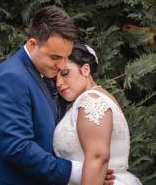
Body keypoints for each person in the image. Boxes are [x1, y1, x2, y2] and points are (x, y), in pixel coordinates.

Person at [0, 6, 116, 185]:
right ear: (32, 44)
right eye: (55, 57)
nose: (62, 65)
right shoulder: (11, 78)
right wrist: (76, 171)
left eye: (66, 56)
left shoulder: (44, 74)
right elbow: (17, 148)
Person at [53, 41, 142, 185]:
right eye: (55, 78)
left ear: (86, 69)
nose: (59, 83)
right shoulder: (94, 98)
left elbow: (98, 158)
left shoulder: (91, 101)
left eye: (65, 73)